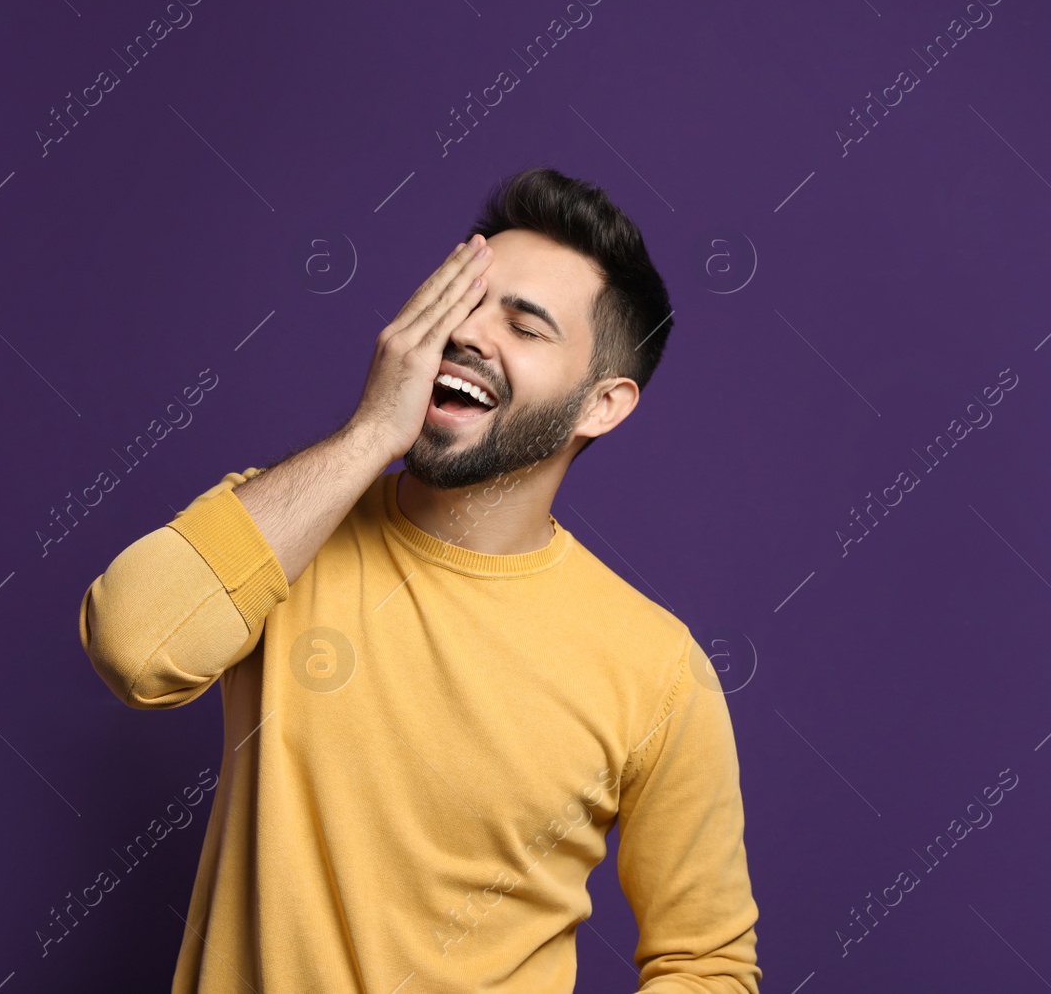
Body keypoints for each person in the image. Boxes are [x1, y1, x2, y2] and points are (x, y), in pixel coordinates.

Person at [79, 166, 761, 992]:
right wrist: (371, 433)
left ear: (602, 405)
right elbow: (133, 647)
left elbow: (707, 962)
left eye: (526, 325)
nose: (471, 333)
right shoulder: (287, 529)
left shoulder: (659, 671)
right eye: (461, 300)